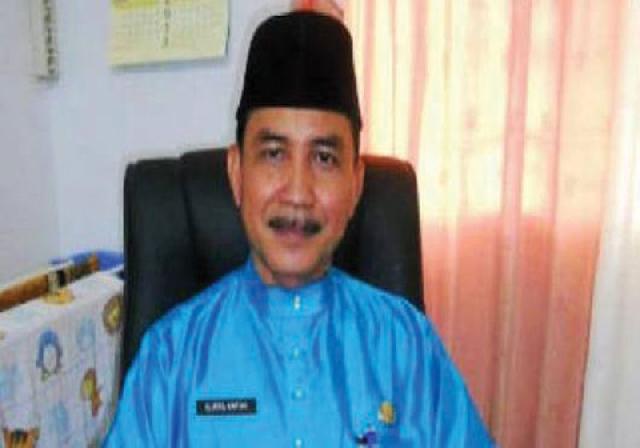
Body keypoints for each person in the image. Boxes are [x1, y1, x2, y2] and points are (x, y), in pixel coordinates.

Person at [104, 11, 494, 447]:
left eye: (324, 158)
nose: (297, 193)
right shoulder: (170, 359)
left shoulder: (406, 346)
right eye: (274, 154)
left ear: (355, 184)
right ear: (236, 173)